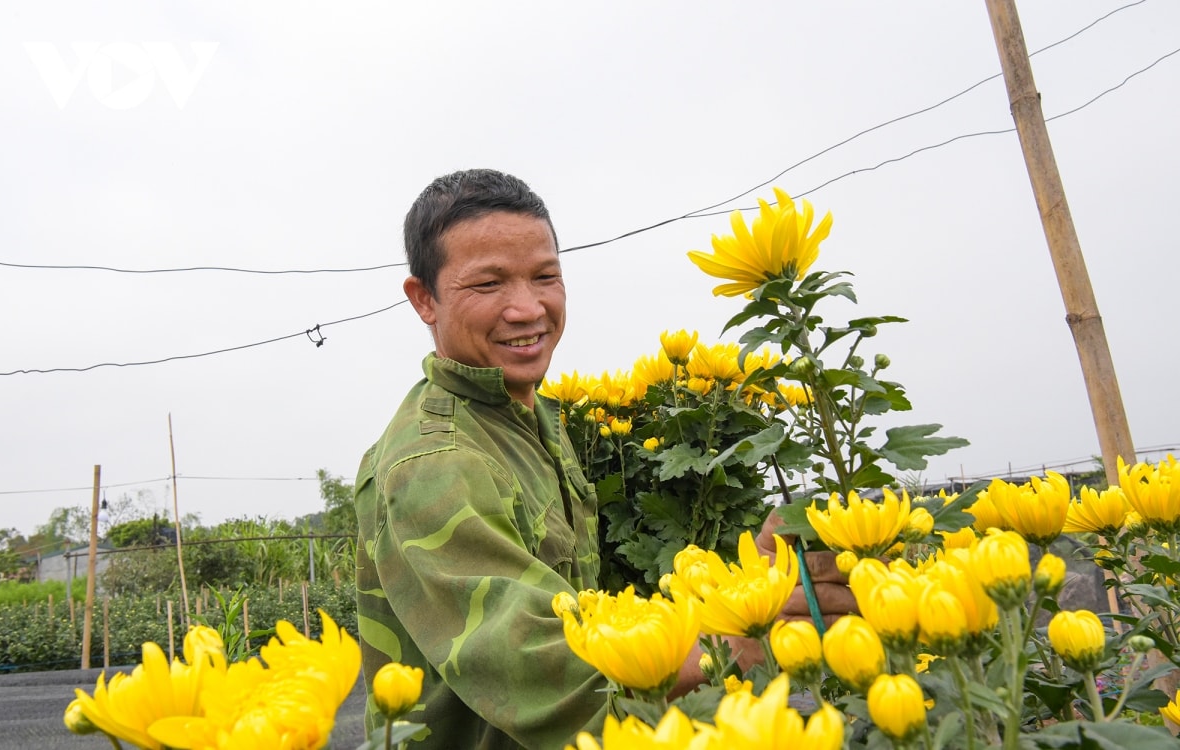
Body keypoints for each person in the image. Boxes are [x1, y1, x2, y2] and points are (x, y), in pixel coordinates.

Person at [354, 168, 855, 749]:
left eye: (545, 277)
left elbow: (591, 616)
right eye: (488, 285)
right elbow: (550, 674)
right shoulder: (435, 461)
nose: (527, 308)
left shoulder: (527, 418)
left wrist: (751, 589)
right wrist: (744, 638)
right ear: (424, 300)